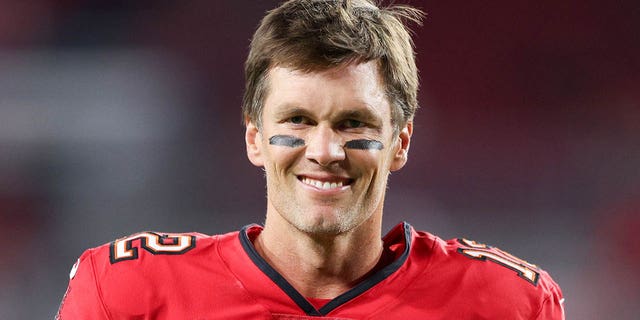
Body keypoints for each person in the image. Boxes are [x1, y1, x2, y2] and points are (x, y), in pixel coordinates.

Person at [56, 0, 565, 318]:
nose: (324, 152)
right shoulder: (130, 293)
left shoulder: (505, 303)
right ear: (254, 138)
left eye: (354, 124)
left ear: (401, 143)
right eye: (297, 121)